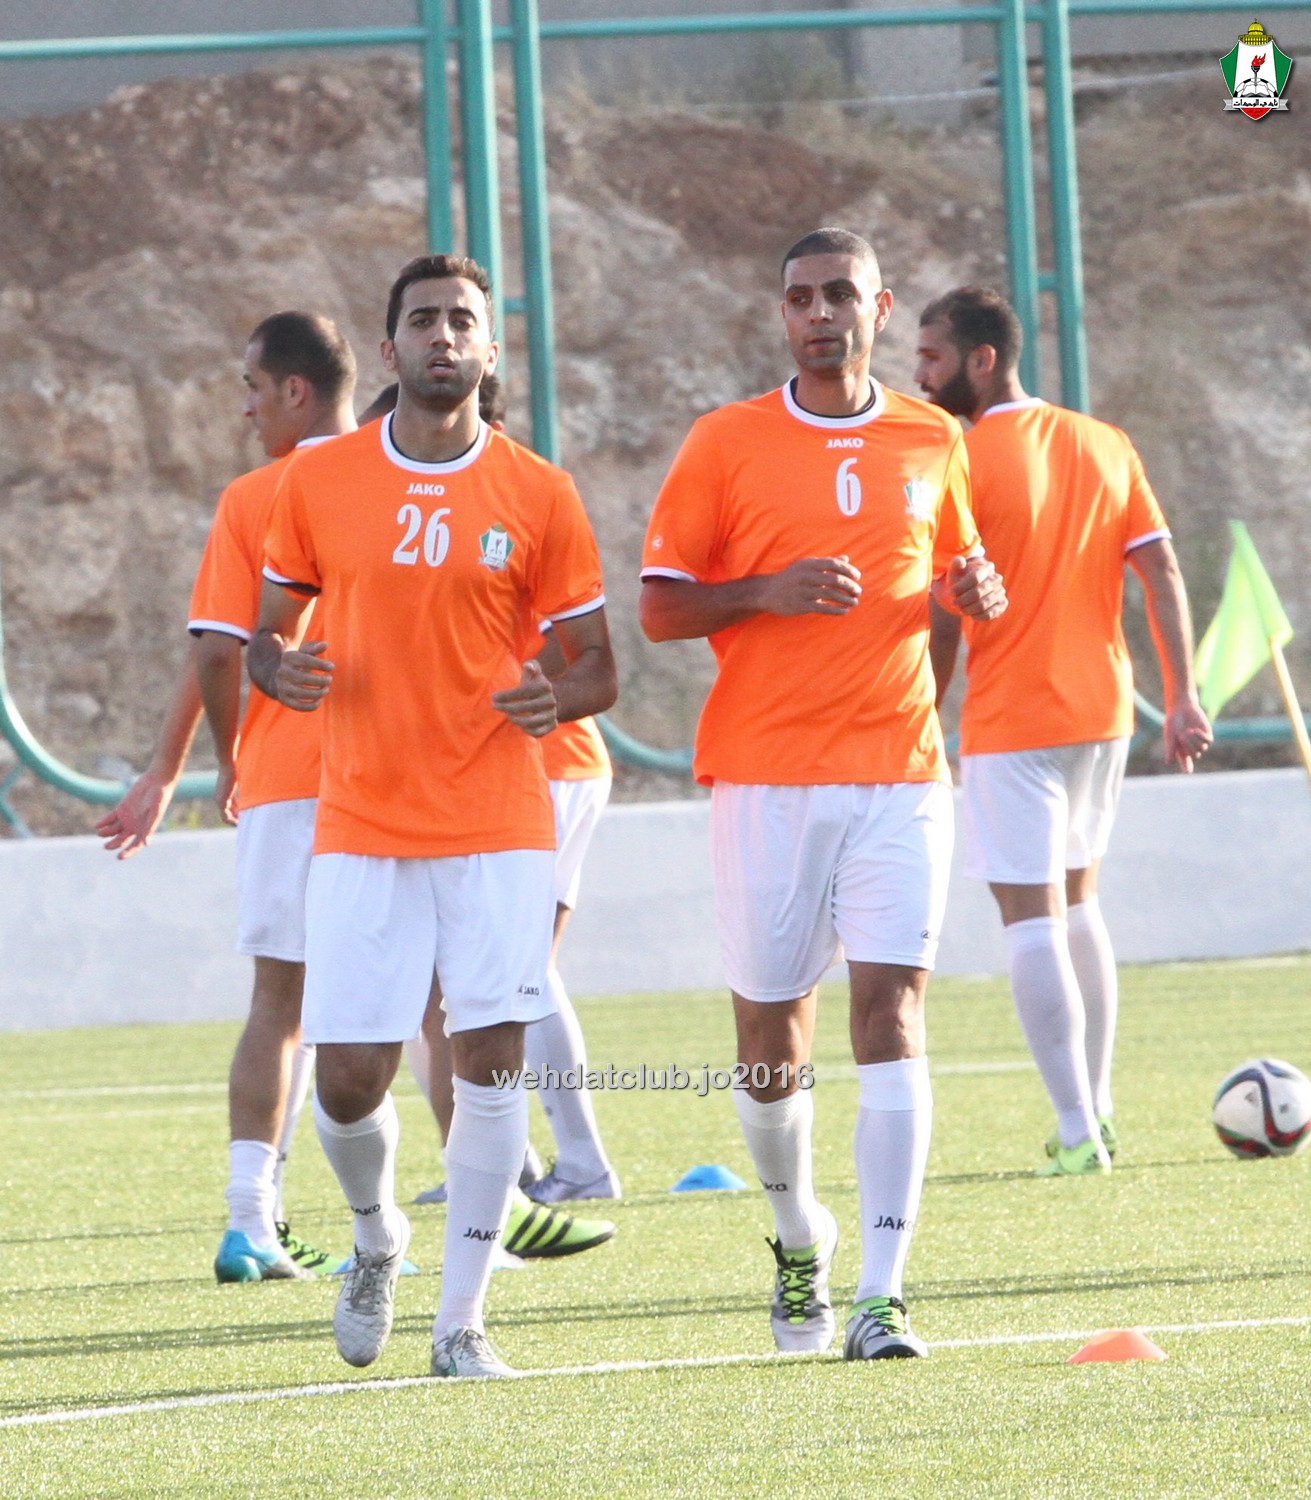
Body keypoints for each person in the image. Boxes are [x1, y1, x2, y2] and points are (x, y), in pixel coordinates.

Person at [639, 228, 1006, 1362]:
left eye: (839, 295)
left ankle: (883, 1295)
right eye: (799, 297)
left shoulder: (933, 437)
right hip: (765, 778)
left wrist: (975, 591)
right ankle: (799, 1232)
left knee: (890, 1015)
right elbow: (659, 607)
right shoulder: (726, 440)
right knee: (769, 1040)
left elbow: (953, 580)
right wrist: (766, 590)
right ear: (781, 312)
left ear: (879, 309)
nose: (818, 315)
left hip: (900, 773)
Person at [250, 253, 617, 1380]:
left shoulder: (539, 492)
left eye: (463, 320)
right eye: (423, 320)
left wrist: (560, 696)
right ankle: (375, 1240)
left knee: (489, 1058)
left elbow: (599, 666)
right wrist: (278, 670)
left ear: (489, 350)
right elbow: (266, 635)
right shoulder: (319, 481)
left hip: (500, 819)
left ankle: (461, 1323)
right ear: (391, 345)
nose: (443, 336)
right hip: (361, 821)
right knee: (348, 1078)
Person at [915, 286, 1213, 1175]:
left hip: (1014, 721)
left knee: (1029, 918)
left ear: (980, 360)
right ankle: (1100, 1109)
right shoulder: (1104, 441)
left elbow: (940, 614)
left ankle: (1076, 1132)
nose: (919, 376)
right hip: (1104, 714)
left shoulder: (956, 458)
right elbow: (1160, 570)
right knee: (1080, 904)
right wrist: (1183, 697)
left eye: (931, 358)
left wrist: (921, 716)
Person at [96, 310, 358, 1282]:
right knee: (417, 1005)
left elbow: (216, 648)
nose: (245, 410)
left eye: (251, 388)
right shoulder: (398, 475)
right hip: (390, 783)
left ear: (295, 390)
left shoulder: (257, 495)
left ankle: (252, 1219)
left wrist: (213, 762)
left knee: (279, 1001)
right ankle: (442, 1227)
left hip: (287, 783)